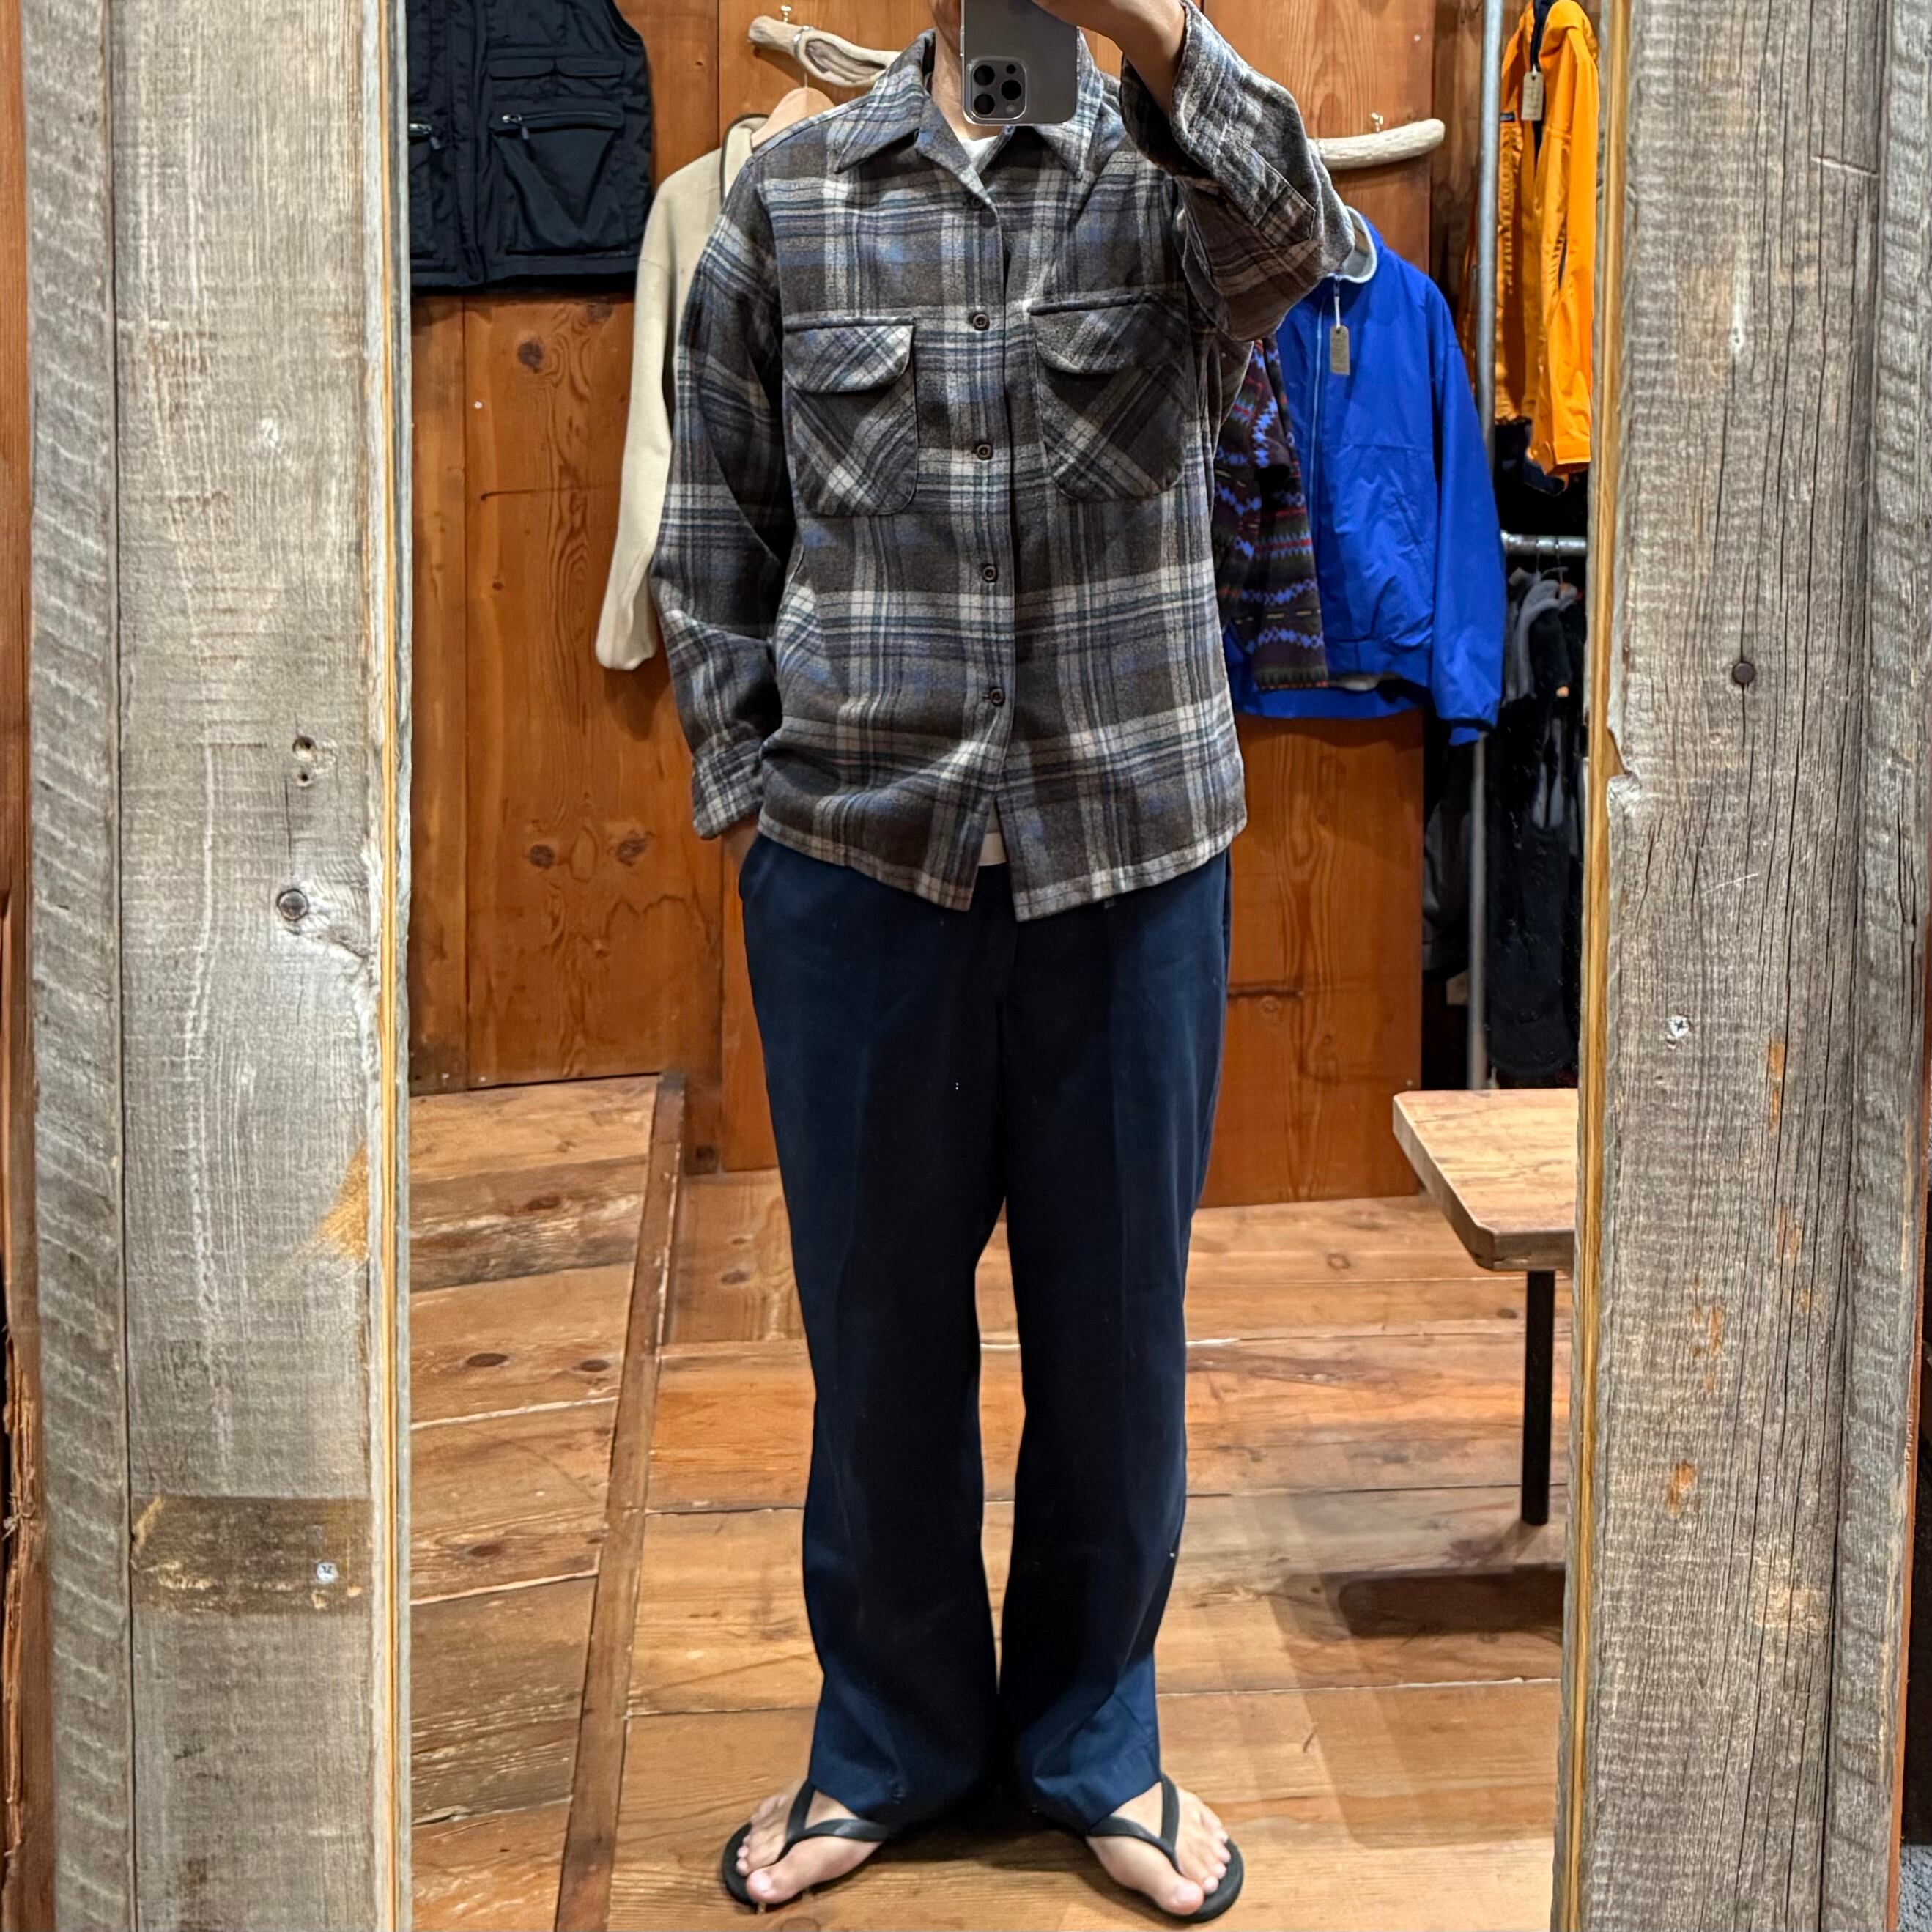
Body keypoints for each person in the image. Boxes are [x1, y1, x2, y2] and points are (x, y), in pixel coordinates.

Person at [652, 0, 1347, 1914]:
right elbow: (715, 518)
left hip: (1131, 862)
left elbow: (1298, 237)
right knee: (875, 1332)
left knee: (1117, 1335)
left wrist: (1158, 25)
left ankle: (1095, 1741)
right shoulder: (793, 196)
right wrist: (755, 801)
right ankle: (889, 1742)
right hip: (860, 866)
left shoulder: (1171, 180)